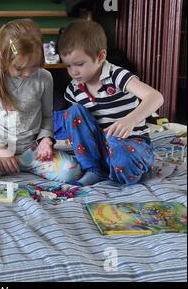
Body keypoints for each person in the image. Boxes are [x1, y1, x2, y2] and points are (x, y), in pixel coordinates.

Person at [0, 19, 82, 189]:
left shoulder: (44, 78)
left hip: (31, 151)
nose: (28, 73)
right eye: (20, 68)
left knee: (71, 171)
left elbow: (47, 116)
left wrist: (45, 139)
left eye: (34, 66)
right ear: (2, 56)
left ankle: (13, 166)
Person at [58, 20, 164, 186]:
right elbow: (79, 129)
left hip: (131, 144)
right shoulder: (74, 88)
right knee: (72, 112)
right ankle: (93, 169)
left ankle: (119, 173)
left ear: (100, 56)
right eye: (68, 66)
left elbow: (156, 97)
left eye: (79, 64)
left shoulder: (117, 75)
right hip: (100, 150)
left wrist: (131, 119)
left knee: (118, 145)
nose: (74, 72)